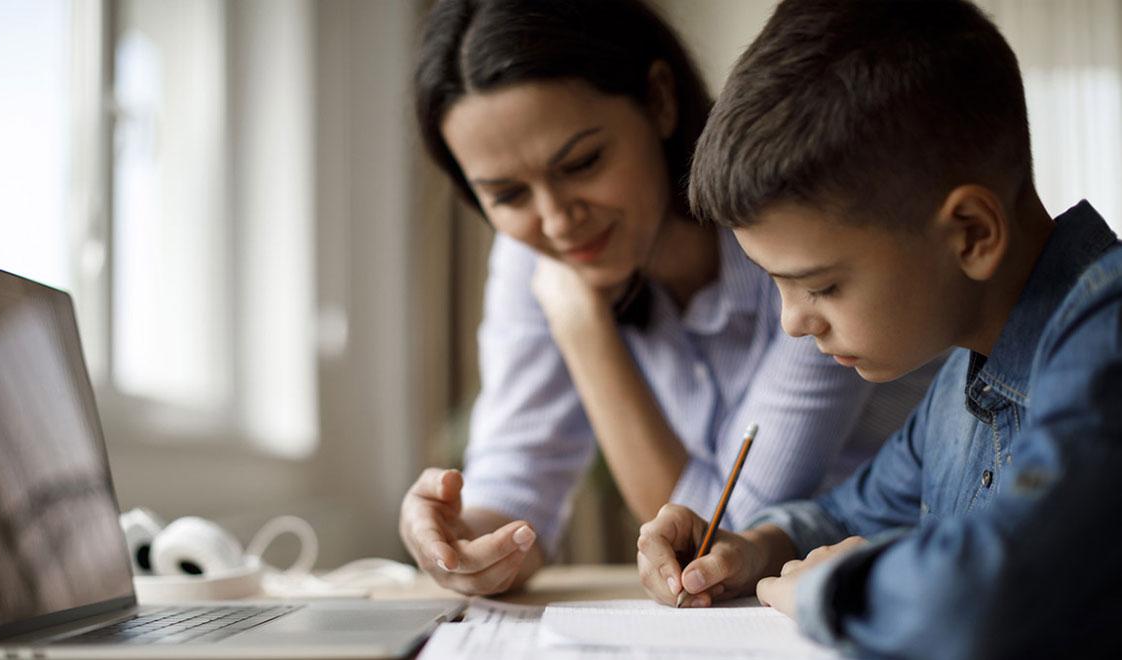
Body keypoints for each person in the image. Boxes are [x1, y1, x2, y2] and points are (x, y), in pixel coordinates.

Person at [401, 0, 936, 597]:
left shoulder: (800, 238)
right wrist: (460, 539)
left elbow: (723, 534)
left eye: (581, 163)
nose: (556, 221)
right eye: (506, 194)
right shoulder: (537, 253)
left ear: (659, 99)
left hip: (896, 575)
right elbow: (517, 481)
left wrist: (582, 327)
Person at [636, 0, 1122, 656]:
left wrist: (830, 588)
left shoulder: (1105, 333)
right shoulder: (960, 382)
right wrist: (751, 549)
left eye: (821, 285)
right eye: (774, 284)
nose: (793, 323)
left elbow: (993, 591)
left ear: (972, 234)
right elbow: (844, 513)